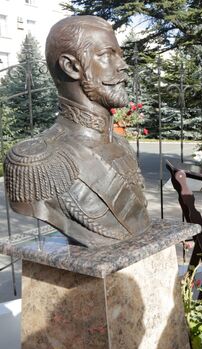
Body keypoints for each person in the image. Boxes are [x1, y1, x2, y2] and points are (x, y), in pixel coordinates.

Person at [3, 16, 150, 247]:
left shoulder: (121, 144)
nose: (122, 65)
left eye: (119, 54)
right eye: (106, 55)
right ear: (71, 67)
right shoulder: (33, 162)